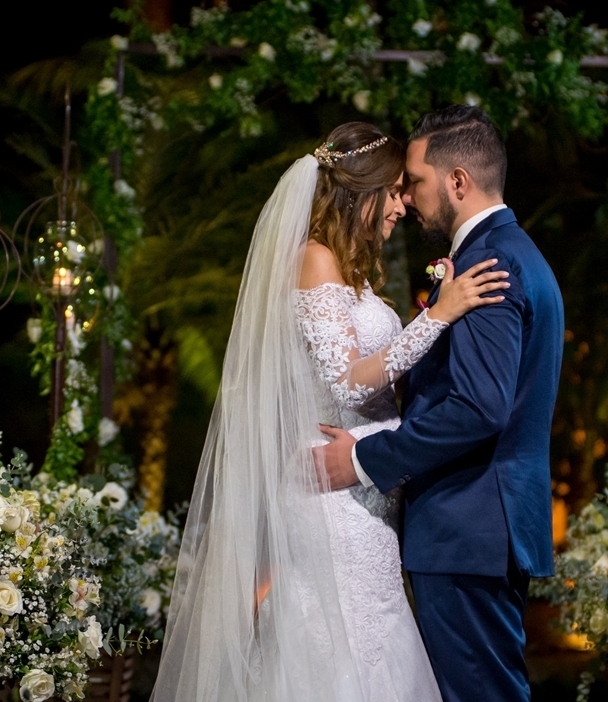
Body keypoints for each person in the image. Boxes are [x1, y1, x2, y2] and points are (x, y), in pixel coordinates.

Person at [151, 121, 510, 702]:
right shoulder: (313, 259)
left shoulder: (357, 271)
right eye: (394, 191)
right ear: (359, 192)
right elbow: (344, 382)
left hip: (364, 487)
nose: (402, 205)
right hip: (329, 490)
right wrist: (438, 316)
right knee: (336, 637)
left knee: (373, 627)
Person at [316, 105, 565, 702]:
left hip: (467, 525)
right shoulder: (512, 250)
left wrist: (364, 460)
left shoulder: (490, 262)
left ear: (457, 182)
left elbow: (479, 408)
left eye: (417, 182)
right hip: (481, 524)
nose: (407, 199)